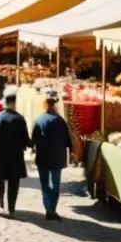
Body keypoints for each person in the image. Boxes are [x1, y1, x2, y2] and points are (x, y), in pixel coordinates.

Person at [32, 91, 73, 221]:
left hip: (43, 157)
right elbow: (68, 141)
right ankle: (52, 210)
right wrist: (71, 152)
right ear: (54, 106)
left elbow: (33, 140)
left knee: (45, 184)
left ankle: (48, 209)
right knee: (55, 184)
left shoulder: (39, 120)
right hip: (57, 158)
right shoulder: (61, 120)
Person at [0, 91, 32, 216]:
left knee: (0, 178)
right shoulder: (19, 118)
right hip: (16, 153)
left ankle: (1, 203)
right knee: (14, 182)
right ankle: (11, 207)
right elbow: (25, 138)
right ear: (14, 103)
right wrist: (33, 144)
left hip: (1, 153)